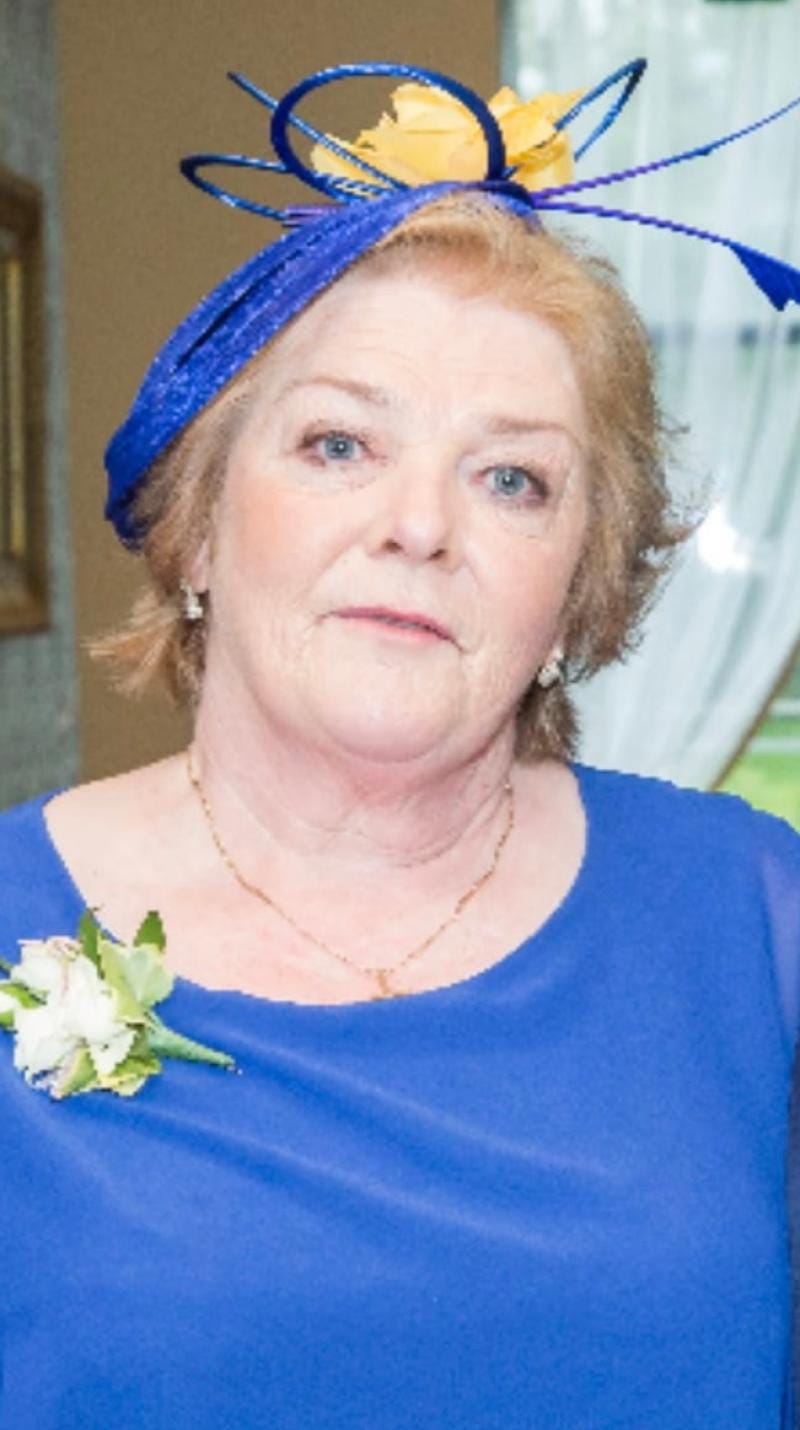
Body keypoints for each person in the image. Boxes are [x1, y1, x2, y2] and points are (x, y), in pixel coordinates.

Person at [1, 58, 800, 1430]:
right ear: (197, 524)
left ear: (576, 592)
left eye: (513, 478)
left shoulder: (755, 910)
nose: (421, 525)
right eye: (339, 445)